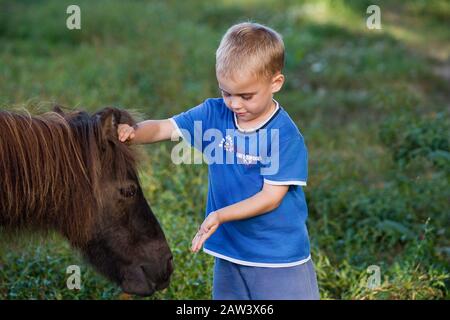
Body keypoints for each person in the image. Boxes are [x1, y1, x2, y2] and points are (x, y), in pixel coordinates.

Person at [117, 22, 320, 300]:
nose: (234, 104)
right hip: (229, 249)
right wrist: (133, 133)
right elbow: (166, 127)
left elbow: (271, 198)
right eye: (226, 92)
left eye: (246, 96)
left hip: (276, 256)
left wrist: (220, 215)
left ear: (276, 83)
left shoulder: (284, 136)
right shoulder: (215, 113)